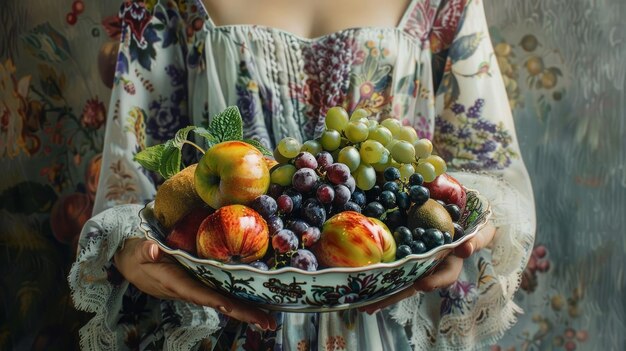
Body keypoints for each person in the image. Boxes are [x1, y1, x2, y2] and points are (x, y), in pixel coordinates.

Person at [68, 0, 536, 349]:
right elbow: (131, 172)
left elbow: (492, 165)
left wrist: (464, 234)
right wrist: (132, 248)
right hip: (222, 317)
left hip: (386, 321)